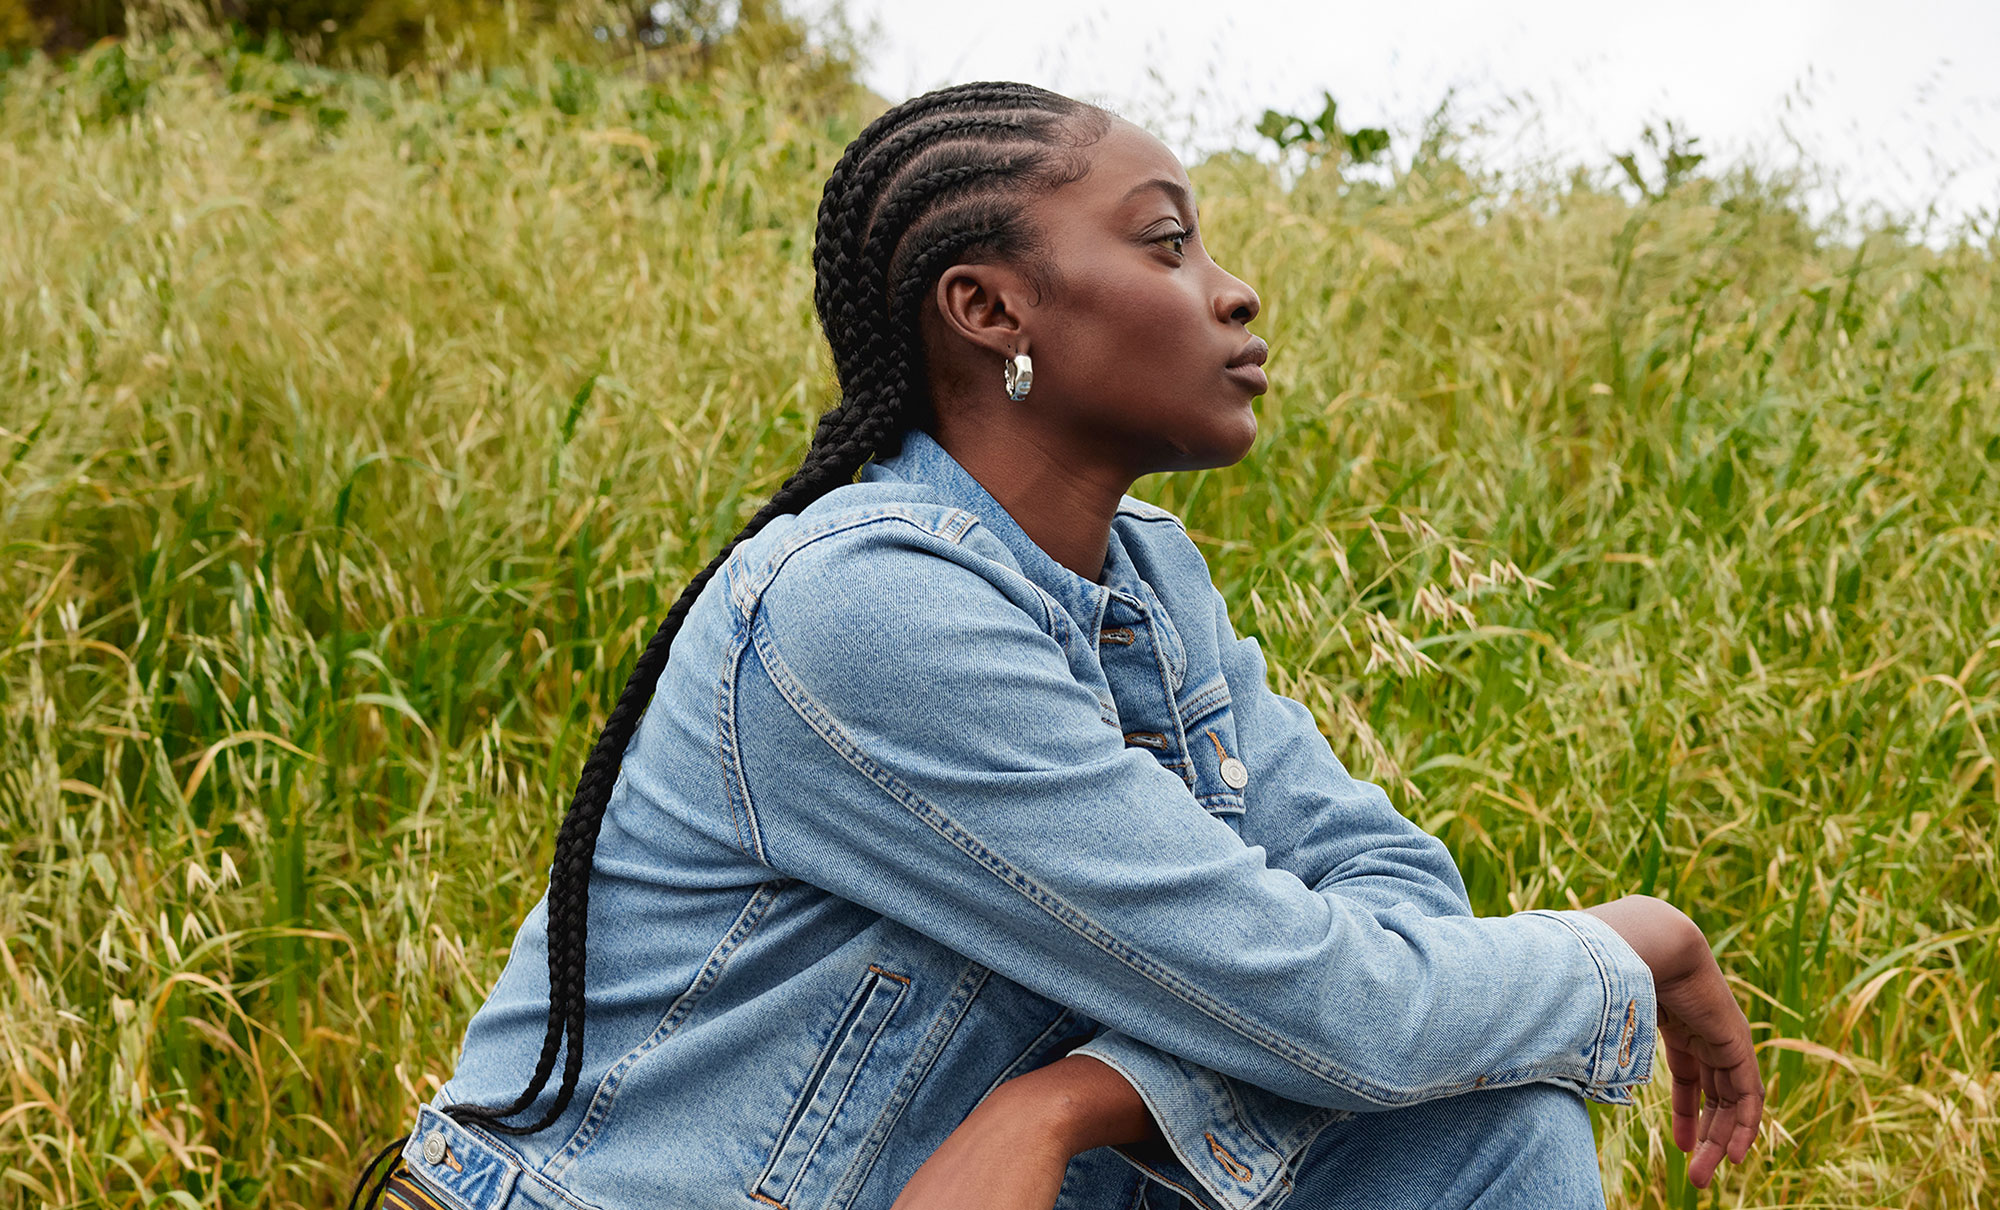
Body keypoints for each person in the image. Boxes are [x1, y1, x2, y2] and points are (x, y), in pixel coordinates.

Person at [351, 82, 1762, 1210]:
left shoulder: (1143, 581)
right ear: (988, 310)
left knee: (1489, 1125)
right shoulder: (871, 608)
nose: (1234, 292)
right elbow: (1341, 1006)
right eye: (1166, 242)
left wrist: (1074, 1101)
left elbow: (1395, 903)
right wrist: (1631, 945)